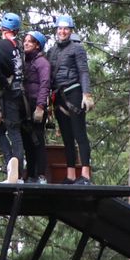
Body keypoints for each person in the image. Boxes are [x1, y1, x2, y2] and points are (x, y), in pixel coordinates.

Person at [48, 14, 94, 183]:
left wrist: (86, 93)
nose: (62, 31)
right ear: (56, 30)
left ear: (70, 31)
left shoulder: (77, 48)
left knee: (79, 133)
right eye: (60, 29)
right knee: (67, 136)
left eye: (66, 29)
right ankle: (70, 175)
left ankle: (85, 175)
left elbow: (83, 71)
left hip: (74, 93)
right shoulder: (52, 51)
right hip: (58, 96)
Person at [0, 12, 26, 183]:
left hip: (9, 95)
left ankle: (15, 172)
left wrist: (4, 83)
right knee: (0, 131)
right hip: (20, 94)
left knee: (12, 132)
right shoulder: (17, 47)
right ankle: (13, 165)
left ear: (2, 28)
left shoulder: (1, 45)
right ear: (16, 30)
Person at [20, 30, 51, 183]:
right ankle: (30, 173)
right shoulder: (24, 61)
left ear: (37, 46)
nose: (26, 43)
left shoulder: (42, 63)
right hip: (24, 106)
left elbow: (45, 84)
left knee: (37, 140)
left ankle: (41, 175)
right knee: (27, 141)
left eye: (30, 41)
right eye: (25, 40)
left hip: (36, 106)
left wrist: (40, 106)